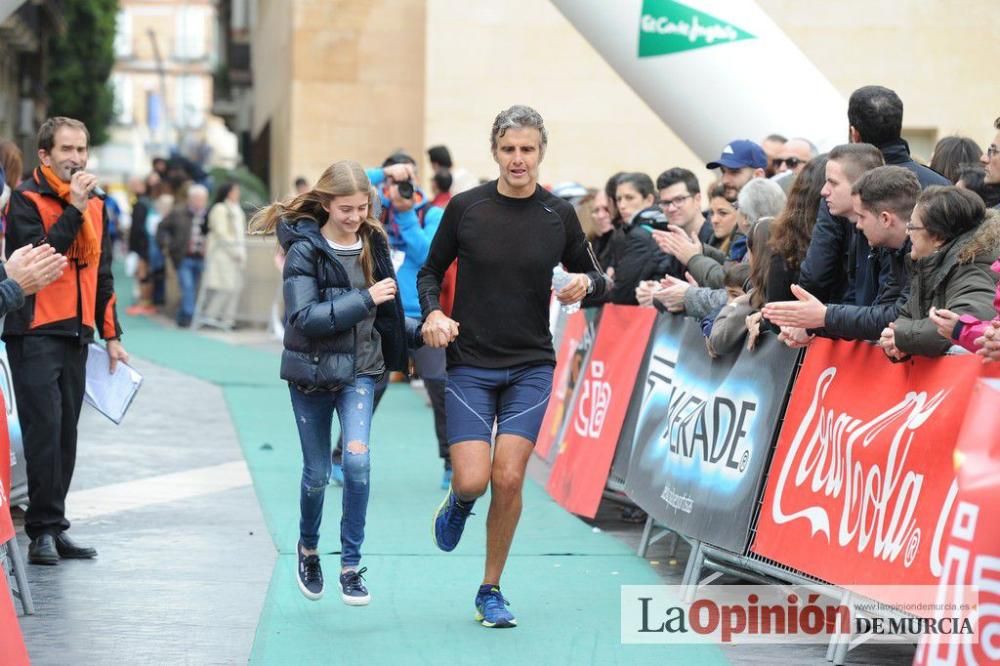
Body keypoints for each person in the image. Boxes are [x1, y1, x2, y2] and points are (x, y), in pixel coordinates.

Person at [417, 105, 608, 628]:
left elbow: (598, 278)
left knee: (508, 476)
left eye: (527, 149)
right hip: (471, 365)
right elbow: (430, 271)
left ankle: (490, 589)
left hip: (530, 365)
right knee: (475, 480)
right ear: (495, 151)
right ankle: (459, 501)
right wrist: (433, 310)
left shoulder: (558, 215)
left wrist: (585, 284)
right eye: (508, 149)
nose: (518, 159)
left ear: (541, 152)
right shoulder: (466, 208)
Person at [248, 160, 420, 605]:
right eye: (345, 208)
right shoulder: (304, 250)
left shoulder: (373, 240)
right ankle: (308, 549)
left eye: (362, 207)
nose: (354, 217)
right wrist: (364, 298)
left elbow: (389, 314)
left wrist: (424, 331)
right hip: (312, 373)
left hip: (361, 372)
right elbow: (303, 318)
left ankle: (350, 564)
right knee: (318, 474)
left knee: (358, 463)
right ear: (325, 203)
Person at [3, 116, 128, 565]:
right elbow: (42, 259)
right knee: (44, 431)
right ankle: (39, 532)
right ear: (45, 155)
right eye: (67, 150)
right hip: (34, 329)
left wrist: (111, 334)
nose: (76, 159)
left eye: (82, 150)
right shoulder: (25, 199)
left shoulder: (97, 204)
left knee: (66, 436)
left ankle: (54, 526)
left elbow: (103, 273)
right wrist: (73, 209)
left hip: (77, 332)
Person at [765, 165, 921, 344]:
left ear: (885, 219)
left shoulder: (922, 251)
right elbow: (881, 312)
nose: (858, 226)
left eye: (862, 217)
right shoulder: (895, 250)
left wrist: (823, 316)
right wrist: (815, 323)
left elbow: (896, 316)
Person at [880, 186, 1000, 359]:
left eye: (912, 227)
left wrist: (901, 338)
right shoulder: (932, 261)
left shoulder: (972, 262)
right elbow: (906, 316)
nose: (907, 232)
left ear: (937, 237)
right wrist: (896, 339)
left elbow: (963, 322)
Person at [156, 183, 209, 327]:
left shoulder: (208, 214)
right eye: (196, 199)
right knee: (187, 287)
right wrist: (166, 245)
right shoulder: (178, 212)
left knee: (194, 289)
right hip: (183, 257)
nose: (199, 202)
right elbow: (162, 228)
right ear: (190, 199)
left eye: (202, 199)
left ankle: (183, 316)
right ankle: (190, 318)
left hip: (201, 257)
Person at [198, 182, 247, 330]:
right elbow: (221, 233)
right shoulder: (219, 209)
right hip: (222, 255)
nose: (237, 194)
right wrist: (234, 251)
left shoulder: (238, 210)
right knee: (223, 287)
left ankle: (228, 320)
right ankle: (210, 317)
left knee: (236, 287)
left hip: (237, 255)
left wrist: (240, 253)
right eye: (235, 191)